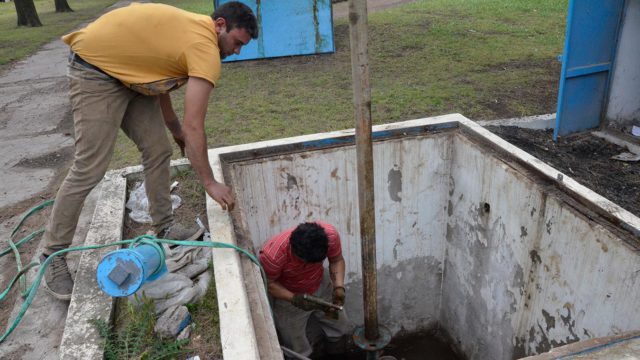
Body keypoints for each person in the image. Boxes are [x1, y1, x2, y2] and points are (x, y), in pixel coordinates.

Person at [40, 2, 258, 300]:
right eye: (237, 43)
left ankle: (164, 227)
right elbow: (196, 127)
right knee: (89, 167)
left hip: (132, 76)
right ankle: (53, 257)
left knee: (158, 150)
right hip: (96, 68)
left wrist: (174, 130)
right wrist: (209, 182)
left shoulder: (197, 34)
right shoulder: (205, 48)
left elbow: (158, 79)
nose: (237, 51)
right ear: (220, 25)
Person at [259, 221, 351, 359]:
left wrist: (338, 287)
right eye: (306, 262)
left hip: (322, 285)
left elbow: (336, 260)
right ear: (293, 250)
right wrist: (294, 299)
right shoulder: (272, 256)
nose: (308, 266)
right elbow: (270, 284)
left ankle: (337, 354)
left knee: (339, 327)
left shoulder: (330, 235)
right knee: (296, 346)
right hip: (288, 296)